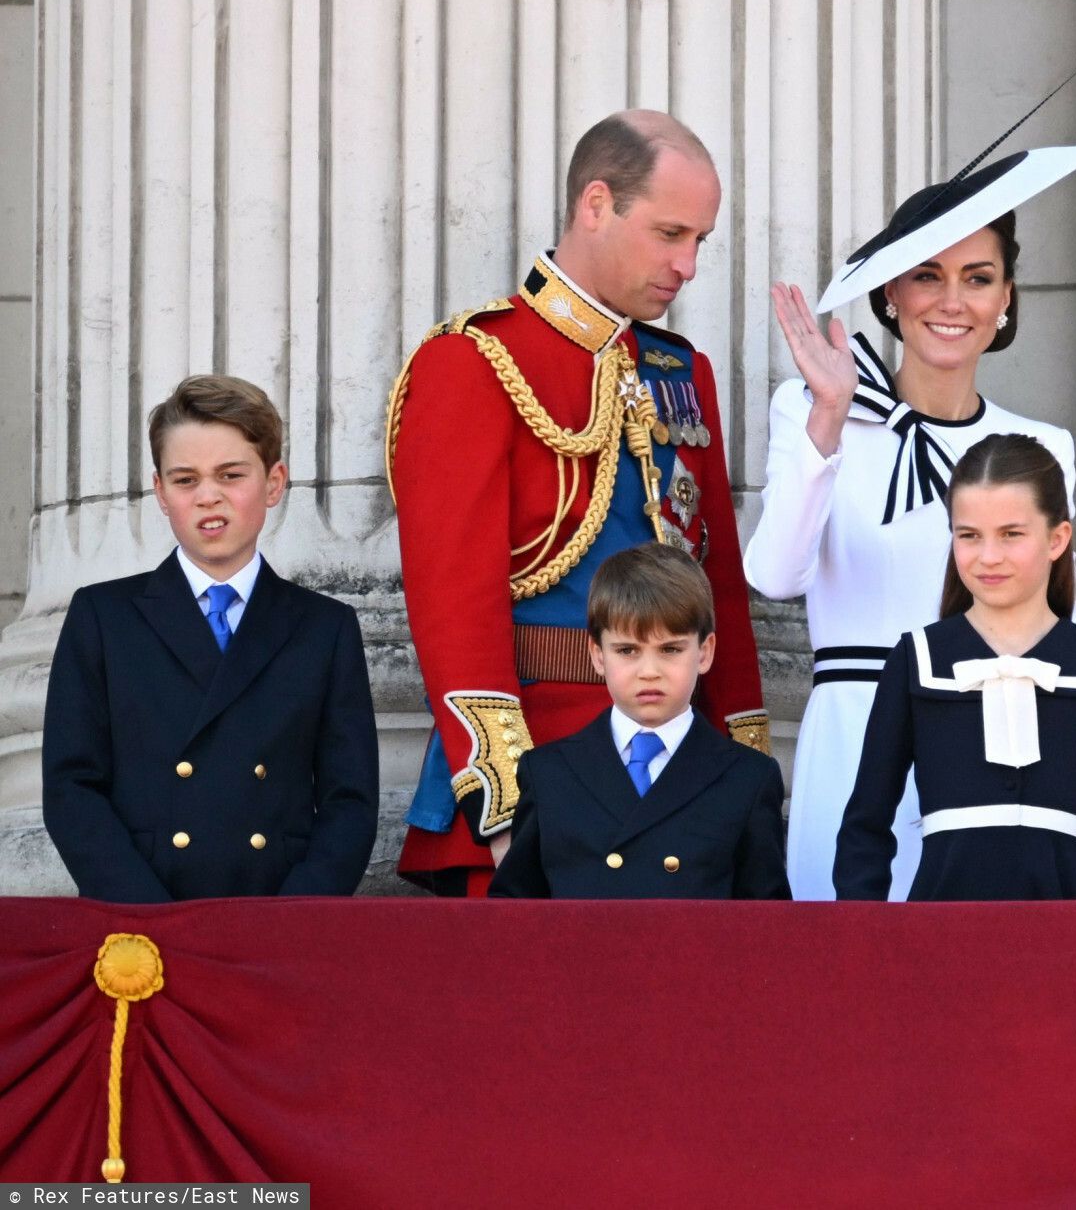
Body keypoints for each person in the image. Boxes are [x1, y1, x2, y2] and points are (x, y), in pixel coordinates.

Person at [387, 110, 768, 896]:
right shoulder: (473, 360)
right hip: (541, 777)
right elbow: (452, 603)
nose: (689, 264)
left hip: (688, 787)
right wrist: (501, 802)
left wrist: (743, 772)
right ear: (596, 204)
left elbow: (718, 586)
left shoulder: (679, 371)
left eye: (700, 240)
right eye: (671, 234)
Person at [746, 144, 1076, 900]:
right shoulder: (812, 411)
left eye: (978, 279)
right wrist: (830, 421)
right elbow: (773, 576)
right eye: (927, 276)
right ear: (890, 294)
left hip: (989, 741)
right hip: (854, 731)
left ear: (1006, 299)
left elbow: (1054, 632)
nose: (951, 301)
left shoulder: (1043, 450)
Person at [42, 376, 379, 900]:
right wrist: (146, 916)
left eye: (230, 474)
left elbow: (349, 801)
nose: (208, 497)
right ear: (160, 491)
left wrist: (297, 916)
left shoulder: (324, 628)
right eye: (185, 479)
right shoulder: (103, 618)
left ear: (273, 482)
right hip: (143, 920)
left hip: (278, 923)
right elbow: (71, 788)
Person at [833, 434, 1076, 901]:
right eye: (969, 536)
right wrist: (869, 944)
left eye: (1011, 534)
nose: (989, 557)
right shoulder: (916, 660)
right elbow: (865, 826)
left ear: (1057, 539)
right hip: (938, 943)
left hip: (1067, 948)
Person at [491, 544, 788, 899]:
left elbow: (766, 929)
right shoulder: (548, 773)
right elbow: (513, 918)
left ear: (705, 653)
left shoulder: (748, 778)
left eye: (670, 650)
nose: (649, 672)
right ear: (597, 655)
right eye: (627, 650)